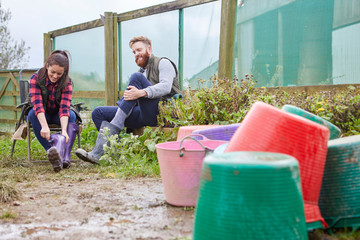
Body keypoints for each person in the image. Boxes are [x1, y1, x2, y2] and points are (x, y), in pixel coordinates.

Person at [76, 36, 181, 164]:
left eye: (139, 50)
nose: (136, 54)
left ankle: (102, 147)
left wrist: (141, 92)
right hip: (143, 112)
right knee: (98, 113)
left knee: (135, 77)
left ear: (149, 49)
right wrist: (131, 97)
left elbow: (166, 87)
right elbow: (134, 97)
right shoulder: (142, 72)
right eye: (134, 52)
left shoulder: (163, 63)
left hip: (161, 112)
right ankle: (116, 153)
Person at [28, 50, 79, 172]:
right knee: (31, 115)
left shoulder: (67, 82)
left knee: (71, 115)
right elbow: (37, 104)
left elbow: (64, 108)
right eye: (52, 72)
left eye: (59, 73)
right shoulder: (36, 78)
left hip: (57, 114)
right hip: (42, 114)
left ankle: (64, 156)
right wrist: (44, 126)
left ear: (64, 72)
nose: (55, 76)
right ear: (47, 66)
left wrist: (64, 131)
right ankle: (53, 152)